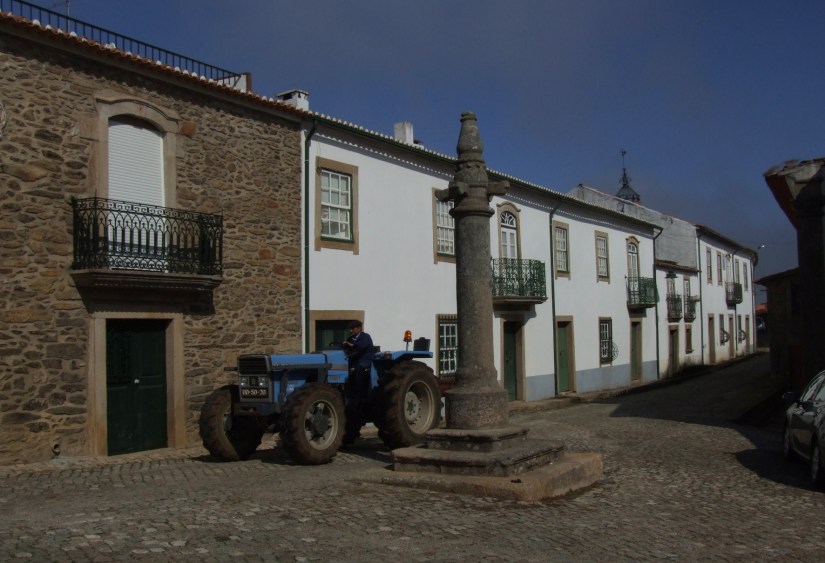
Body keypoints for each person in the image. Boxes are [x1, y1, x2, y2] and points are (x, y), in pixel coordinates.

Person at [342, 320, 374, 444]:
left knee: (359, 369)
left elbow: (360, 347)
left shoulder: (365, 337)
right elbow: (346, 347)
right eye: (350, 329)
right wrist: (344, 345)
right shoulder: (352, 337)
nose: (351, 330)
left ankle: (359, 393)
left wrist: (349, 345)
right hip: (354, 362)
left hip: (365, 362)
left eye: (353, 328)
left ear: (359, 328)